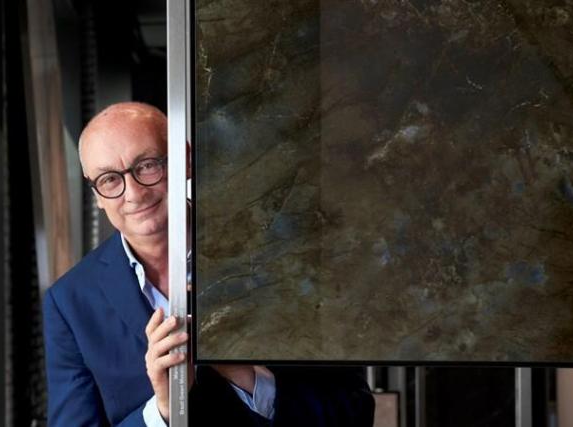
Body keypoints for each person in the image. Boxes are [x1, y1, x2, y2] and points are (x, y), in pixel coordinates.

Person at [43, 102, 374, 426]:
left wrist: (245, 376)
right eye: (109, 180)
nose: (134, 194)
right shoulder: (69, 302)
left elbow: (354, 409)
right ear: (97, 195)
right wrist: (162, 412)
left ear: (185, 159)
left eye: (147, 165)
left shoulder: (284, 254)